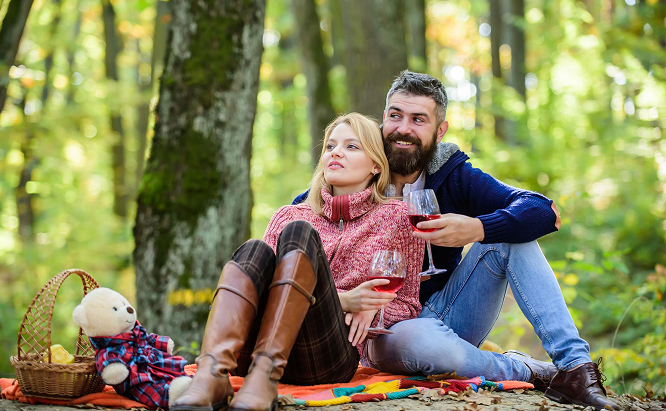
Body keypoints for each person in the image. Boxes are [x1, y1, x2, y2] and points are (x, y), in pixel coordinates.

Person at [293, 71, 619, 411]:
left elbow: (542, 211)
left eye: (418, 119)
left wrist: (479, 228)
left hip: (448, 311)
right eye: (395, 116)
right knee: (419, 341)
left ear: (440, 130)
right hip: (388, 330)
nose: (403, 128)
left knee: (509, 238)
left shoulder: (454, 176)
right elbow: (303, 221)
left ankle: (575, 368)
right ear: (383, 120)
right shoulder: (356, 174)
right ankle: (526, 369)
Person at [172, 113, 424, 411]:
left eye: (351, 147)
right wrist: (344, 300)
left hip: (325, 355)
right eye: (330, 146)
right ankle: (212, 373)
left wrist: (374, 305)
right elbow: (262, 290)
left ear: (376, 166)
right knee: (255, 249)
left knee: (300, 235)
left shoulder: (396, 218)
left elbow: (408, 303)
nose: (336, 152)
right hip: (252, 352)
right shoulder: (289, 214)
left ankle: (265, 375)